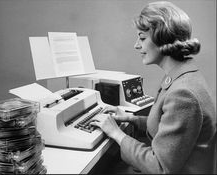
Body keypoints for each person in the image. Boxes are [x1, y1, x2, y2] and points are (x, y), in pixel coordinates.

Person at [89, 1, 216, 174]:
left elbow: (160, 167)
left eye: (142, 38)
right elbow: (169, 127)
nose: (136, 45)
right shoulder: (184, 76)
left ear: (164, 39)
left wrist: (117, 134)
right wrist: (130, 119)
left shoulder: (183, 93)